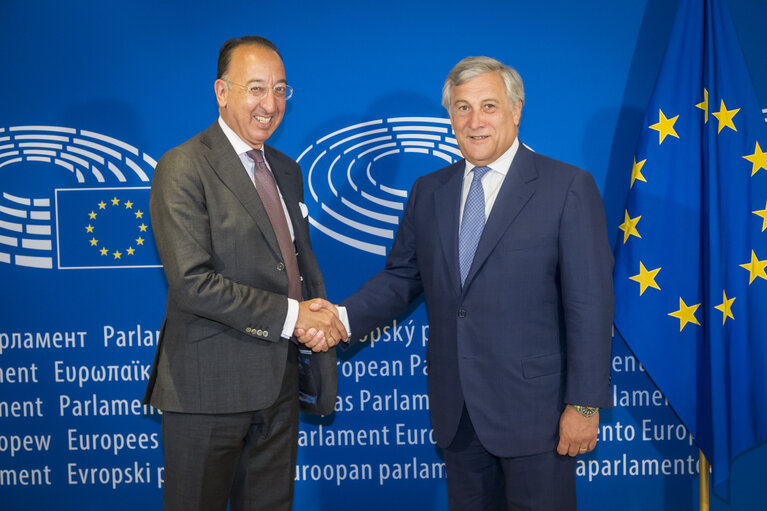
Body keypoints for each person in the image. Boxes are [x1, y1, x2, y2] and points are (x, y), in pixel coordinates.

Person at [303, 56, 614, 510]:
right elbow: (403, 277)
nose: (475, 121)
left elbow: (590, 304)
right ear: (449, 116)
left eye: (489, 106)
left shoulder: (566, 186)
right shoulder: (429, 190)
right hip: (458, 413)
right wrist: (341, 318)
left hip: (538, 416)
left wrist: (584, 405)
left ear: (516, 109)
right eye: (462, 108)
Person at [143, 35, 346, 511]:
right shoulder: (183, 166)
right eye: (256, 88)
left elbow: (294, 266)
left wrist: (315, 314)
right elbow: (193, 284)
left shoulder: (287, 169)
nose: (269, 103)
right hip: (206, 391)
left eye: (280, 90)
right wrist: (294, 317)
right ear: (221, 91)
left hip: (278, 387)